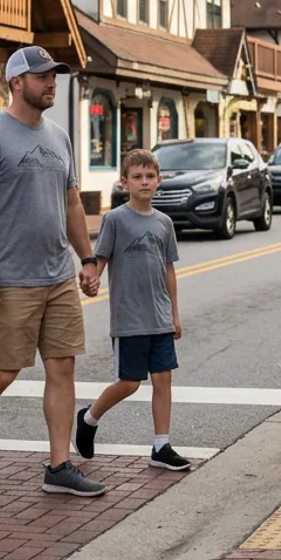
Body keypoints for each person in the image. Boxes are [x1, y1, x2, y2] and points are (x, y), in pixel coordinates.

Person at [0, 47, 105, 497]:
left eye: (54, 76)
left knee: (62, 369)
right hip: (10, 277)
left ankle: (58, 467)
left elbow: (71, 203)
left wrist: (87, 259)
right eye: (43, 77)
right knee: (4, 371)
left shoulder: (59, 136)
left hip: (57, 274)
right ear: (17, 82)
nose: (52, 83)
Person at [74, 149, 191, 471]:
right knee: (129, 383)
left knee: (163, 379)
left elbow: (169, 270)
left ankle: (161, 445)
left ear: (159, 180)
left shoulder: (164, 223)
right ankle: (89, 417)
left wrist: (174, 314)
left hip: (160, 316)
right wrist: (91, 278)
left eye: (150, 176)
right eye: (137, 177)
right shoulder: (115, 219)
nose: (144, 182)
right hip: (129, 317)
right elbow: (101, 260)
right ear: (124, 182)